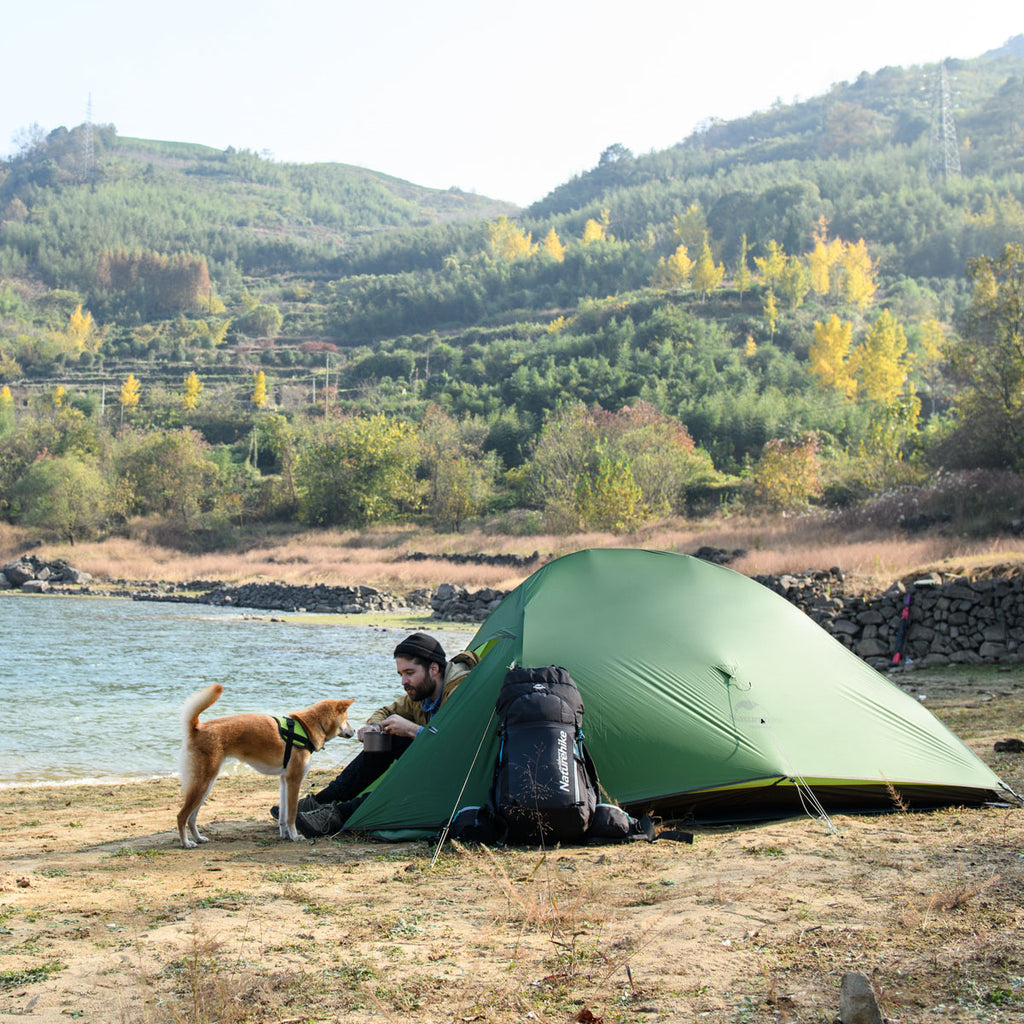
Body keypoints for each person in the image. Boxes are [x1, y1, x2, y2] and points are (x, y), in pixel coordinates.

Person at [280, 631, 478, 838]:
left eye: (409, 673)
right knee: (388, 737)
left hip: (459, 773)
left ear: (434, 668)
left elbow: (459, 746)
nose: (404, 681)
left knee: (402, 738)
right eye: (401, 674)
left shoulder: (462, 691)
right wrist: (375, 727)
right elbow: (385, 712)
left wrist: (412, 730)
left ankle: (337, 815)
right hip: (435, 762)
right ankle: (322, 801)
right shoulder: (422, 694)